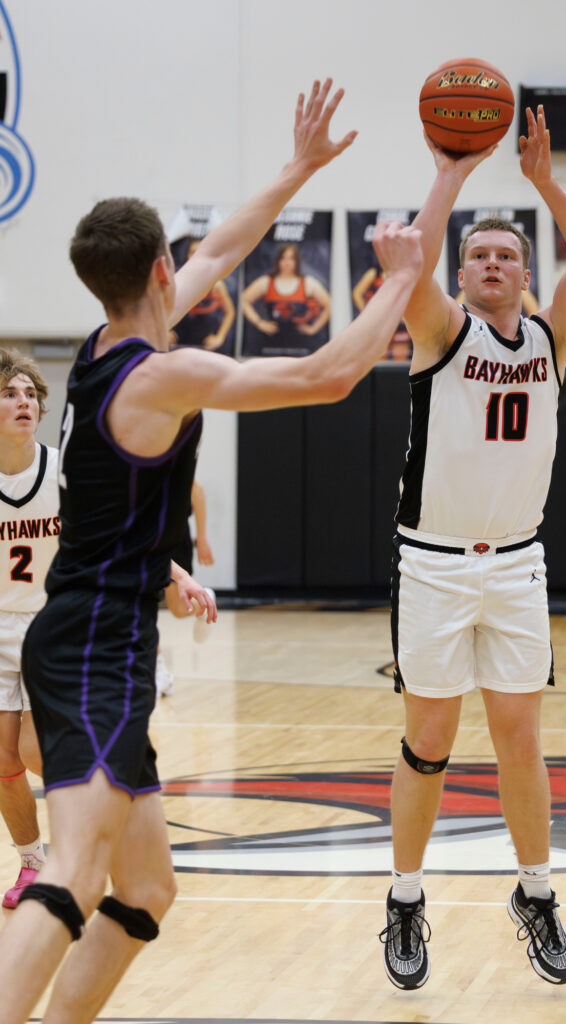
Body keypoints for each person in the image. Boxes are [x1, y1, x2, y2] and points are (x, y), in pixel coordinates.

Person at [0, 78, 424, 1024]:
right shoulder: (166, 373)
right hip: (97, 648)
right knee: (71, 872)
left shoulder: (110, 339)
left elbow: (225, 249)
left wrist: (298, 170)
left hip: (90, 635)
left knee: (145, 888)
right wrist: (397, 276)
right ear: (159, 270)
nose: (191, 270)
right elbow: (327, 372)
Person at [378, 105, 566, 991]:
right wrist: (454, 172)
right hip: (433, 563)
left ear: (523, 273)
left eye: (508, 255)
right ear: (463, 275)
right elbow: (413, 268)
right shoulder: (440, 334)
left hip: (517, 563)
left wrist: (547, 182)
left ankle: (537, 893)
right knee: (428, 739)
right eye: (478, 256)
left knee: (520, 736)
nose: (493, 264)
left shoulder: (552, 337)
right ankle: (404, 898)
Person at [0, 349, 54, 909]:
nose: (24, 402)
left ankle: (92, 836)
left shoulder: (62, 469)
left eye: (30, 393)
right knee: (2, 759)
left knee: (38, 751)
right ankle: (33, 863)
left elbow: (122, 529)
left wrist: (179, 574)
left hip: (49, 625)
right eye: (10, 393)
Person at [156, 479, 216, 696]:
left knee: (171, 608)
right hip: (153, 533)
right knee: (159, 607)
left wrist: (201, 538)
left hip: (170, 534)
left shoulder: (164, 453)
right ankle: (158, 668)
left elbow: (196, 489)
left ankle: (158, 670)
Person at [241, 241, 331, 354]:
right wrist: (259, 323)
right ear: (278, 260)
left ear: (296, 261)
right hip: (269, 344)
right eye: (283, 258)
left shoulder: (308, 283)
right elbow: (243, 300)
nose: (287, 262)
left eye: (291, 258)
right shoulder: (266, 282)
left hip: (300, 346)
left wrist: (313, 328)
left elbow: (329, 305)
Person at [172, 238, 236, 352]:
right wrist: (165, 332)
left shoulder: (216, 285)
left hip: (206, 345)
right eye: (192, 252)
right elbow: (161, 309)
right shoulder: (177, 281)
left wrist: (220, 337)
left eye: (199, 253)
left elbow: (230, 312)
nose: (195, 257)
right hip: (178, 343)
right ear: (187, 255)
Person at [352, 263, 412, 360]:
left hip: (399, 323)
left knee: (401, 361)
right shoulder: (374, 273)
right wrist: (367, 314)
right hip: (379, 324)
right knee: (380, 359)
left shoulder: (404, 272)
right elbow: (357, 293)